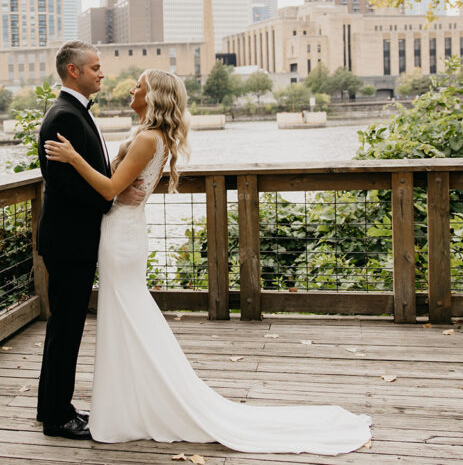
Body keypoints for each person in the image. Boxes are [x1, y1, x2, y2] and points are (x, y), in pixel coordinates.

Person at [44, 68, 373, 455]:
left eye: (139, 86)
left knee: (126, 313)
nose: (131, 89)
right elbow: (119, 185)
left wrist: (73, 157)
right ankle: (130, 402)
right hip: (124, 232)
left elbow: (112, 189)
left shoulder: (148, 139)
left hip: (121, 237)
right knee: (126, 315)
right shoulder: (150, 137)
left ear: (152, 98)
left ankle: (141, 403)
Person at [34, 40, 144, 440]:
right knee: (66, 328)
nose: (103, 73)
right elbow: (63, 187)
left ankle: (53, 405)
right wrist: (110, 196)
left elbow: (87, 172)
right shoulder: (64, 116)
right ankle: (57, 417)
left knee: (64, 327)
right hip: (68, 242)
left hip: (72, 240)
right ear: (74, 72)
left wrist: (111, 185)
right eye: (95, 67)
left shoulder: (74, 113)